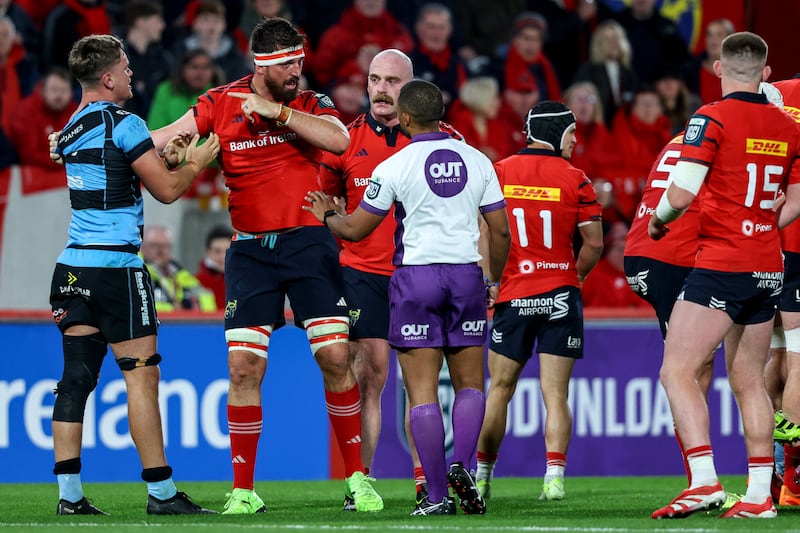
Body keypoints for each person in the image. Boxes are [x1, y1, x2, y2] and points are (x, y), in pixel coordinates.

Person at [149, 16, 383, 514]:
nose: (298, 69)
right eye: (288, 64)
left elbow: (340, 140)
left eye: (300, 59)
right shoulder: (219, 102)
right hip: (251, 251)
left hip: (309, 245)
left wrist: (275, 112)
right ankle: (243, 490)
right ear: (262, 65)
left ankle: (356, 480)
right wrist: (102, 142)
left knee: (336, 358)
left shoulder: (308, 102)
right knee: (242, 368)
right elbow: (166, 135)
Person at [304, 78, 511, 516]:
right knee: (471, 387)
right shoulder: (478, 160)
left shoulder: (394, 166)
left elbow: (357, 229)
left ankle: (435, 497)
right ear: (441, 114)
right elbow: (501, 230)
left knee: (421, 395)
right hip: (466, 276)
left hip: (415, 278)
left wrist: (328, 216)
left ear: (404, 118)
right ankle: (465, 467)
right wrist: (493, 279)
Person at [49, 33, 220, 515]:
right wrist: (195, 162)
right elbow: (166, 192)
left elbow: (116, 171)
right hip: (116, 270)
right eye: (124, 68)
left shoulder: (69, 128)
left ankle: (70, 498)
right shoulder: (124, 123)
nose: (131, 74)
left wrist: (165, 155)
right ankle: (162, 494)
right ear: (107, 77)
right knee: (141, 377)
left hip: (71, 267)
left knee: (75, 379)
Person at [648, 32, 800, 519]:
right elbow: (796, 201)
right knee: (749, 379)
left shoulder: (709, 117)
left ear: (718, 68)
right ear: (766, 71)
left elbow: (684, 189)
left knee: (676, 370)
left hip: (722, 264)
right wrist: (761, 225)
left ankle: (706, 481)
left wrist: (658, 220)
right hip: (768, 264)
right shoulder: (787, 125)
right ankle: (759, 495)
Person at [319, 48, 462, 511]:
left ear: (411, 88)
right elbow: (325, 207)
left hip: (420, 273)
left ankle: (426, 481)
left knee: (421, 385)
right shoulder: (345, 140)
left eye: (392, 81)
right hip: (362, 272)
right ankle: (359, 482)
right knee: (369, 378)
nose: (381, 89)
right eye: (375, 79)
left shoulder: (445, 141)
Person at [474, 100, 603, 501]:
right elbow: (595, 243)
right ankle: (554, 478)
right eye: (571, 133)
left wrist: (490, 280)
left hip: (513, 294)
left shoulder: (498, 173)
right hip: (561, 293)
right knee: (555, 394)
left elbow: (484, 234)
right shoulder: (576, 178)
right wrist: (575, 275)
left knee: (499, 389)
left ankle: (482, 477)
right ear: (556, 134)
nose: (575, 141)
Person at [310, 0, 414, 88]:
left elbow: (412, 72)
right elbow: (321, 74)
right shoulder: (335, 36)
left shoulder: (399, 33)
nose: (371, 2)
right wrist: (352, 71)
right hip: (346, 101)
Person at [8, 67, 77, 169]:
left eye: (64, 90)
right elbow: (29, 155)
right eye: (54, 90)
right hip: (32, 174)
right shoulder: (26, 111)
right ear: (42, 90)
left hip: (68, 174)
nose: (59, 96)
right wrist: (65, 160)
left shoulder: (76, 112)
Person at [572, 19, 637, 127]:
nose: (614, 44)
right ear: (598, 43)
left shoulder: (628, 72)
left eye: (616, 39)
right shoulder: (588, 70)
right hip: (596, 127)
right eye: (608, 39)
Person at [141, 225, 217, 313]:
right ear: (142, 247)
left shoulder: (180, 274)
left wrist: (189, 307)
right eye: (154, 245)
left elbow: (207, 304)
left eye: (165, 246)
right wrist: (175, 309)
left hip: (186, 325)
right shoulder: (137, 273)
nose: (160, 251)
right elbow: (142, 307)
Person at [122, 0, 174, 118]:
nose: (162, 26)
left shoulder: (162, 59)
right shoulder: (115, 56)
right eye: (158, 20)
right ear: (140, 22)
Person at [195, 224, 233, 309]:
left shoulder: (244, 280)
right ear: (207, 252)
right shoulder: (197, 282)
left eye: (227, 251)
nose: (223, 257)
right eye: (217, 251)